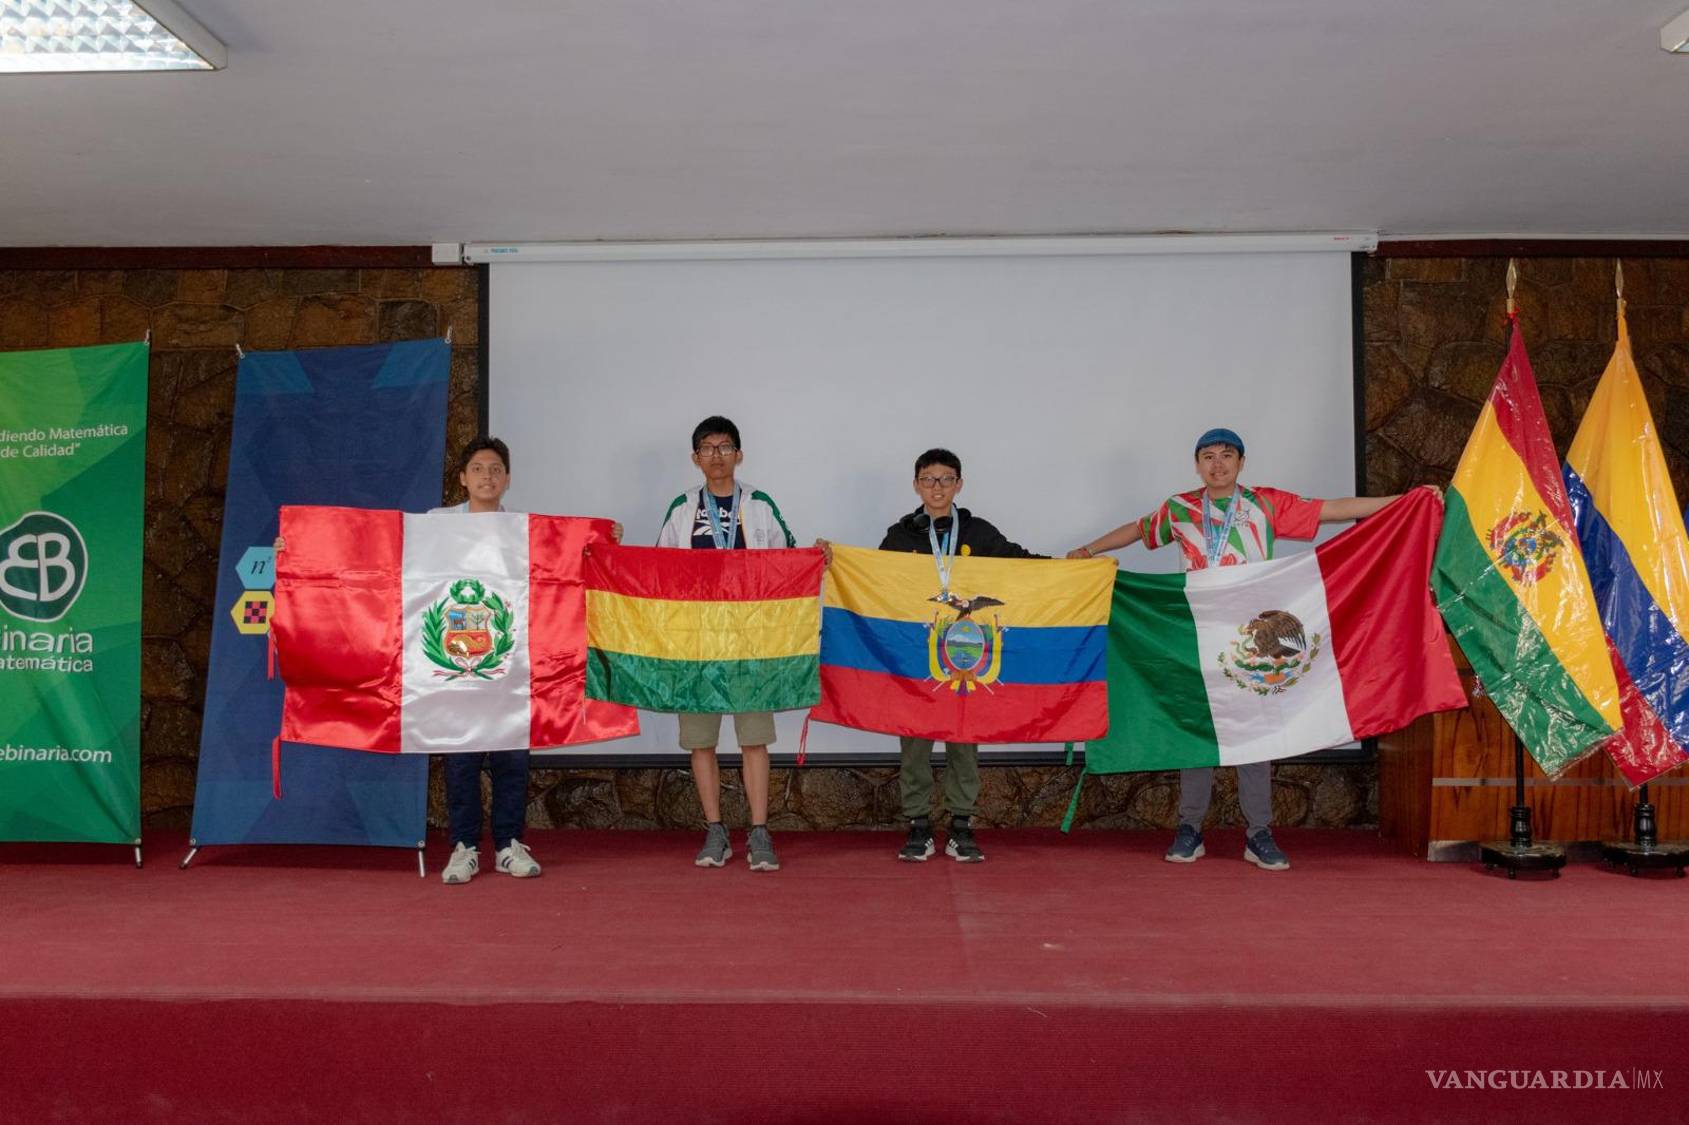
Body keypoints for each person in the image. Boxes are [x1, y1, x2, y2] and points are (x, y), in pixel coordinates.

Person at [1068, 427, 1405, 871]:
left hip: (1250, 640)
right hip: (1194, 634)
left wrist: (1403, 502)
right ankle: (1190, 829)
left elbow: (1334, 510)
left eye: (1227, 455)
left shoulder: (1264, 503)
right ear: (1196, 464)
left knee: (1256, 731)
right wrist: (1089, 549)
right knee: (1194, 729)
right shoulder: (1181, 508)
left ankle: (1260, 833)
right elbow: (1137, 529)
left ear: (1241, 463)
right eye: (1208, 456)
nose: (1218, 464)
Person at [878, 448, 1041, 864]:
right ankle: (917, 822)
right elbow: (874, 583)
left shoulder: (979, 533)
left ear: (959, 485)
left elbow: (1020, 565)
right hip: (917, 658)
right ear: (916, 485)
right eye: (929, 479)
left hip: (968, 657)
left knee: (964, 737)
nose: (937, 487)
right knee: (914, 738)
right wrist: (834, 562)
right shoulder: (900, 538)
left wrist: (1074, 569)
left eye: (946, 479)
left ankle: (962, 823)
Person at [658, 415, 796, 872]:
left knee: (754, 739)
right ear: (696, 458)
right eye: (708, 448)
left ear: (739, 454)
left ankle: (759, 830)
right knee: (701, 741)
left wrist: (818, 557)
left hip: (750, 640)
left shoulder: (758, 504)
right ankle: (715, 828)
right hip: (696, 642)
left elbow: (789, 561)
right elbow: (658, 570)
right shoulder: (681, 508)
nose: (717, 456)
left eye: (725, 447)